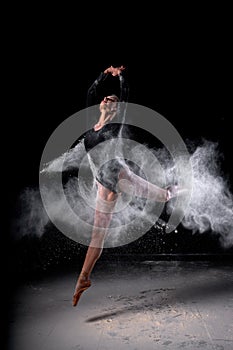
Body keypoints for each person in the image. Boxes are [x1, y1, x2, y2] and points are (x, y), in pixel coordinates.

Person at [72, 65, 186, 307]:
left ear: (116, 108)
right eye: (105, 97)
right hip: (105, 183)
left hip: (122, 177)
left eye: (111, 99)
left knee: (165, 196)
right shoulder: (91, 128)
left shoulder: (115, 125)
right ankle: (83, 279)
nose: (106, 98)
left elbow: (126, 94)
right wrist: (105, 73)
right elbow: (90, 93)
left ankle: (185, 189)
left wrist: (120, 76)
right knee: (97, 235)